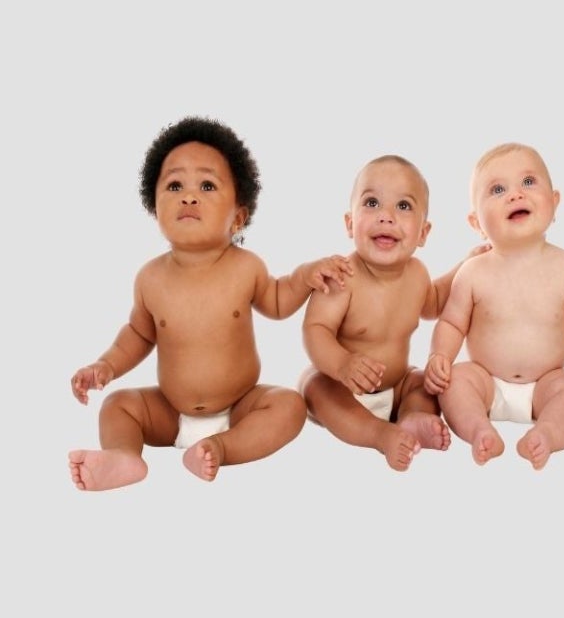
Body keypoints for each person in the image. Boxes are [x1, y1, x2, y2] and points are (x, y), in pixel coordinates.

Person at [69, 116, 353, 491]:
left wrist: (305, 276)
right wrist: (106, 365)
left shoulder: (246, 267)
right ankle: (124, 456)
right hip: (169, 412)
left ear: (238, 217)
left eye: (207, 185)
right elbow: (138, 334)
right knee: (117, 406)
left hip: (240, 408)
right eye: (174, 185)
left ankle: (220, 448)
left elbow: (278, 300)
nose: (189, 196)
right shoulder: (150, 278)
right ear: (155, 208)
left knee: (289, 406)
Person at [426, 143, 564, 469]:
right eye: (497, 189)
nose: (515, 195)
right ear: (476, 223)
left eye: (528, 182)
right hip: (485, 381)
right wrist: (440, 358)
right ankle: (479, 430)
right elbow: (451, 323)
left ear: (554, 202)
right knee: (455, 383)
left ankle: (545, 434)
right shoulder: (473, 272)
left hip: (547, 385)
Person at [298, 154, 488, 470]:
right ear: (350, 223)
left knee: (424, 383)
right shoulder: (342, 276)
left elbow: (434, 302)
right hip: (343, 387)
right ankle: (380, 435)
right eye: (372, 203)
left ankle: (412, 418)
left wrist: (466, 266)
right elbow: (315, 329)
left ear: (423, 233)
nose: (386, 216)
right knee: (314, 385)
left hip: (396, 386)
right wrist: (342, 364)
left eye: (403, 206)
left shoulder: (417, 274)